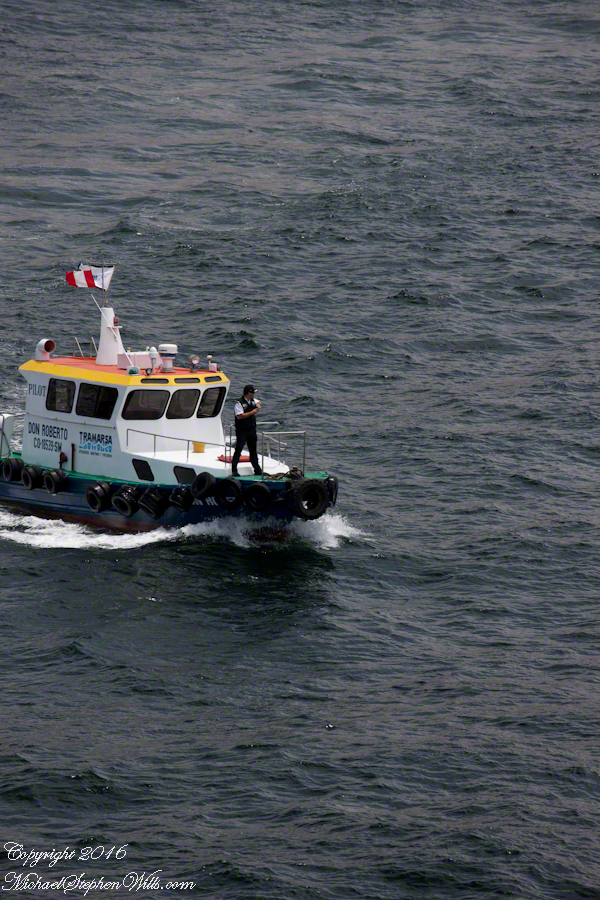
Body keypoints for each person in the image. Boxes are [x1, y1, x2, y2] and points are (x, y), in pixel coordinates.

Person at [231, 384, 262, 476]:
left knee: (253, 450)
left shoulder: (252, 401)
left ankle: (257, 469)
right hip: (242, 431)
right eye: (252, 392)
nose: (253, 394)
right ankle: (234, 470)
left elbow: (258, 402)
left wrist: (258, 404)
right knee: (239, 449)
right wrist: (252, 412)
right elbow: (240, 416)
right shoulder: (239, 403)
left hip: (251, 429)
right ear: (249, 393)